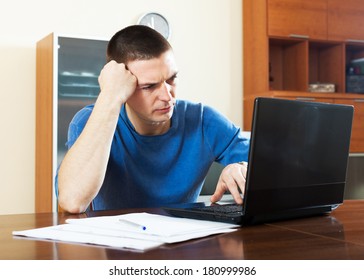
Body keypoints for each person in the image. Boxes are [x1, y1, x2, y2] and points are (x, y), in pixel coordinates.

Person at [56, 25, 250, 214]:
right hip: (118, 243)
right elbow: (73, 201)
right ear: (123, 85)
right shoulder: (90, 120)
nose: (167, 96)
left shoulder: (203, 121)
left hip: (183, 241)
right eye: (149, 86)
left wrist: (242, 167)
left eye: (172, 79)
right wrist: (110, 95)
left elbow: (270, 165)